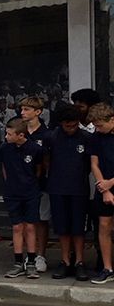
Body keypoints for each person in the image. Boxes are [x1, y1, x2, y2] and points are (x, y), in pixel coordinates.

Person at [45, 106, 92, 281]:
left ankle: (79, 262)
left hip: (79, 189)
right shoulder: (52, 137)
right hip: (57, 188)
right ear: (61, 123)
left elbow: (89, 164)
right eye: (67, 126)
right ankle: (65, 261)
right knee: (62, 227)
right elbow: (47, 160)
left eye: (74, 125)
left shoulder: (86, 138)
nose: (71, 129)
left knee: (79, 228)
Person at [0, 119, 43, 279]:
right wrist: (10, 184)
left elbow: (38, 170)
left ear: (21, 135)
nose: (6, 136)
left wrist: (31, 185)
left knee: (30, 226)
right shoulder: (4, 149)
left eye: (10, 134)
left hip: (30, 192)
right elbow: (5, 168)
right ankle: (18, 262)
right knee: (17, 227)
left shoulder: (35, 149)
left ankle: (31, 262)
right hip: (12, 193)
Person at [18, 96, 50, 273]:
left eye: (27, 109)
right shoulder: (18, 131)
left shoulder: (47, 134)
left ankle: (40, 255)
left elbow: (48, 161)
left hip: (41, 184)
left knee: (41, 220)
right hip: (21, 184)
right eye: (21, 109)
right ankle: (27, 255)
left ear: (38, 112)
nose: (22, 113)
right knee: (24, 221)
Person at [89, 103, 114, 284]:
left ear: (111, 120)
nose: (98, 129)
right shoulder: (96, 138)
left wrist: (110, 183)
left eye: (100, 125)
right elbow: (94, 164)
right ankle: (107, 267)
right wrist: (104, 189)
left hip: (110, 182)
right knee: (104, 226)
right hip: (103, 187)